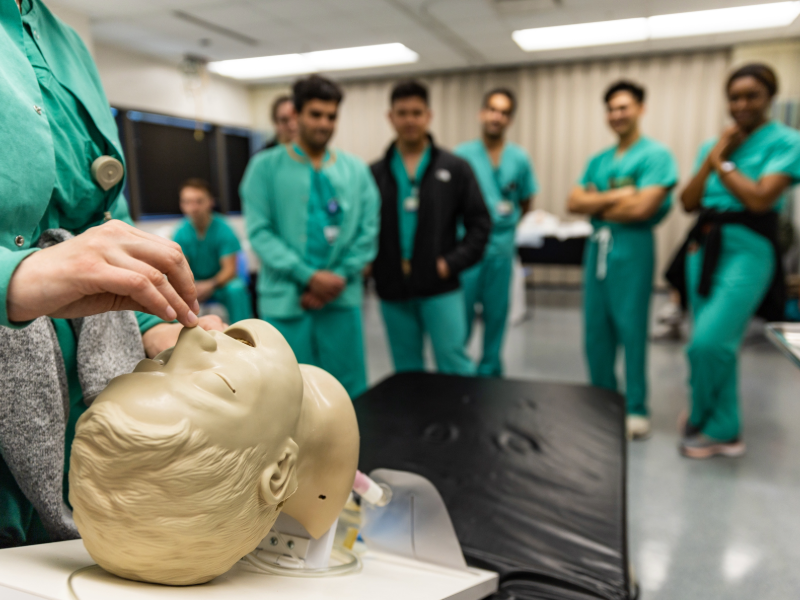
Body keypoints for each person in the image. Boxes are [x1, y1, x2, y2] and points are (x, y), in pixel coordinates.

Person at [0, 0, 223, 549]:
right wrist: (13, 277)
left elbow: (102, 218)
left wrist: (153, 323)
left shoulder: (69, 46)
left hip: (85, 401)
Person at [678, 63, 800, 459]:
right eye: (734, 96)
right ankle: (710, 419)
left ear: (770, 98)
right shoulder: (715, 145)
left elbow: (760, 198)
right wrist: (713, 155)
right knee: (719, 344)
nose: (741, 104)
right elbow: (688, 201)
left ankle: (720, 428)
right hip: (704, 246)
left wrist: (722, 164)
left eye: (752, 95)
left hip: (749, 249)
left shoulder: (786, 142)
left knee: (707, 342)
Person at [240, 75, 379, 398]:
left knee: (349, 391)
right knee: (290, 392)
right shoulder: (264, 169)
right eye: (316, 114)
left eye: (331, 116)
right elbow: (260, 232)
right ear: (297, 115)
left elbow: (367, 233)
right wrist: (308, 276)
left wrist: (336, 277)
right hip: (287, 300)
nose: (324, 124)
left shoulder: (356, 171)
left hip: (340, 298)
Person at [568, 80, 678, 441]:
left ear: (640, 109)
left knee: (631, 329)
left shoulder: (656, 155)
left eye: (624, 107)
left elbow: (644, 207)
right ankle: (602, 400)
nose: (617, 114)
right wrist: (622, 195)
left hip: (633, 249)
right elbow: (574, 202)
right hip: (597, 248)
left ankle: (635, 407)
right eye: (611, 109)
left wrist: (599, 202)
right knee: (595, 332)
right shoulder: (598, 159)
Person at [371, 80, 491, 375]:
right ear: (391, 117)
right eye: (402, 113)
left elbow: (480, 224)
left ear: (429, 115)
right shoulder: (375, 173)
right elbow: (362, 227)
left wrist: (449, 264)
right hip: (392, 288)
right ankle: (413, 423)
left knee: (454, 363)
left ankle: (462, 421)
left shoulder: (454, 167)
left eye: (416, 112)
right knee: (406, 370)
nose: (409, 120)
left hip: (441, 287)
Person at [455, 88, 538, 376]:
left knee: (497, 317)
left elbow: (526, 201)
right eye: (492, 109)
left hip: (502, 249)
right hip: (467, 251)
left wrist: (507, 224)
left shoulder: (519, 158)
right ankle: (458, 374)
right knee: (460, 319)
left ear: (510, 119)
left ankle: (489, 372)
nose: (497, 117)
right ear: (482, 113)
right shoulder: (462, 156)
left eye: (504, 112)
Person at [174, 179, 253, 324]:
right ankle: (180, 337)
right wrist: (192, 287)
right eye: (188, 202)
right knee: (174, 292)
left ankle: (243, 333)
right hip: (194, 285)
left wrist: (210, 285)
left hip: (219, 285)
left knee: (236, 289)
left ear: (210, 202)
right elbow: (180, 269)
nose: (194, 207)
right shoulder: (180, 233)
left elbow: (230, 270)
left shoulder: (224, 230)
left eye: (199, 201)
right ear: (181, 205)